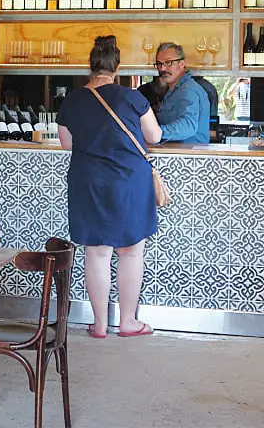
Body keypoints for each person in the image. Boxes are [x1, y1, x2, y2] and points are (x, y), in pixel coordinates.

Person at [57, 36, 162, 339]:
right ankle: (128, 321)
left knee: (97, 252)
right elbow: (153, 136)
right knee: (130, 252)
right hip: (128, 181)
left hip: (88, 180)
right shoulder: (131, 98)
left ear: (90, 66)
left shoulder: (73, 101)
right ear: (118, 67)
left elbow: (67, 144)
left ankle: (100, 323)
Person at [155, 42, 210, 144]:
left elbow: (188, 125)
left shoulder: (188, 90)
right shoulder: (173, 90)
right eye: (159, 64)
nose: (162, 69)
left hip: (188, 157)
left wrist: (157, 133)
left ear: (182, 63)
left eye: (168, 63)